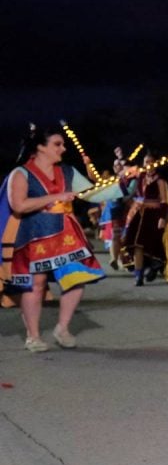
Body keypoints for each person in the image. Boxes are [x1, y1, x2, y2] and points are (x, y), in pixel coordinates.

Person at [1, 125, 121, 351]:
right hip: (33, 233)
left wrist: (123, 181)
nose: (63, 149)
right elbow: (19, 205)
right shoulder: (21, 173)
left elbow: (95, 194)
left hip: (66, 234)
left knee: (78, 278)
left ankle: (62, 328)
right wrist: (55, 196)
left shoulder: (68, 172)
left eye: (63, 144)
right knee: (35, 285)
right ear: (40, 147)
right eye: (57, 144)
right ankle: (33, 336)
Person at [121, 153, 168, 285]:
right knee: (136, 243)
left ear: (155, 163)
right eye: (145, 161)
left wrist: (162, 218)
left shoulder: (160, 181)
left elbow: (164, 202)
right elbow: (126, 187)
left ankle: (154, 267)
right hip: (140, 214)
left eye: (149, 161)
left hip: (154, 215)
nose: (147, 164)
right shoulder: (140, 179)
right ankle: (138, 275)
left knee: (150, 244)